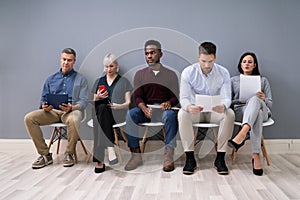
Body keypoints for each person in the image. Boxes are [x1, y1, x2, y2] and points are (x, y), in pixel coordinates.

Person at [24, 48, 89, 169]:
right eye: (64, 59)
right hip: (52, 112)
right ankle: (45, 155)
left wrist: (72, 107)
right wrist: (44, 106)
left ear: (74, 61)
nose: (66, 62)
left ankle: (69, 154)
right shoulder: (50, 79)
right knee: (29, 118)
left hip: (71, 111)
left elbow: (84, 101)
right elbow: (43, 99)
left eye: (69, 60)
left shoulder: (81, 79)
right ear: (61, 59)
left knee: (74, 120)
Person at [178, 42, 235, 175]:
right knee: (182, 114)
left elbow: (227, 97)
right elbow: (184, 97)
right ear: (198, 57)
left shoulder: (223, 72)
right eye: (203, 61)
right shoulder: (188, 72)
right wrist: (188, 106)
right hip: (195, 111)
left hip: (215, 111)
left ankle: (220, 158)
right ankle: (190, 158)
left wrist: (224, 105)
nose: (207, 65)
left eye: (210, 61)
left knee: (230, 113)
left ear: (215, 57)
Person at [124, 40, 179, 172]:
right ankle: (136, 155)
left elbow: (176, 96)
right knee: (130, 114)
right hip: (146, 110)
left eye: (152, 53)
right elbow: (137, 96)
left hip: (163, 111)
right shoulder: (140, 74)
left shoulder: (170, 74)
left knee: (171, 115)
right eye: (146, 53)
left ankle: (168, 156)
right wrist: (144, 108)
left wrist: (169, 103)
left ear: (160, 54)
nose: (149, 56)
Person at [228, 52, 272, 176]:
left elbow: (270, 104)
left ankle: (242, 132)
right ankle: (256, 156)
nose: (247, 64)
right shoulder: (233, 80)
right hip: (241, 111)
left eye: (250, 62)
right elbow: (228, 102)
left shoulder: (263, 81)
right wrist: (240, 101)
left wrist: (263, 99)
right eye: (244, 61)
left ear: (254, 65)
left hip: (262, 110)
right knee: (255, 113)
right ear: (240, 64)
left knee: (255, 100)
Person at [91, 53, 132, 173]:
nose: (108, 69)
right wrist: (98, 96)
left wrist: (119, 106)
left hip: (117, 114)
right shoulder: (99, 81)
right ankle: (109, 147)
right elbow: (93, 101)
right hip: (101, 113)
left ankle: (100, 160)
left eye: (111, 66)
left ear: (116, 66)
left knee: (99, 117)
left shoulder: (124, 81)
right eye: (106, 67)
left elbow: (128, 103)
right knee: (102, 108)